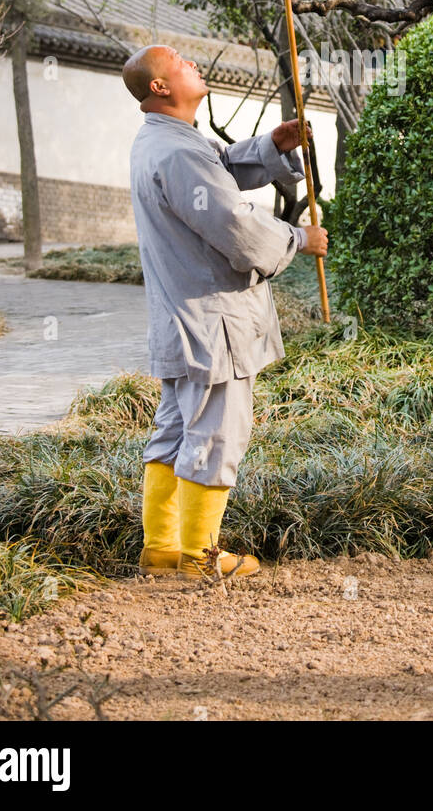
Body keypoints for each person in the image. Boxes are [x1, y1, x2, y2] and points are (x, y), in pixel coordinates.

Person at [121, 44, 328, 579]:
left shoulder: (167, 143)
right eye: (179, 61)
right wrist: (298, 237)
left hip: (182, 317)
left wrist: (271, 147)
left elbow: (219, 169)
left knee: (174, 429)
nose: (191, 60)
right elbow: (234, 224)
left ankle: (162, 547)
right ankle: (200, 556)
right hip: (211, 321)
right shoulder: (179, 151)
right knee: (217, 432)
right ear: (160, 87)